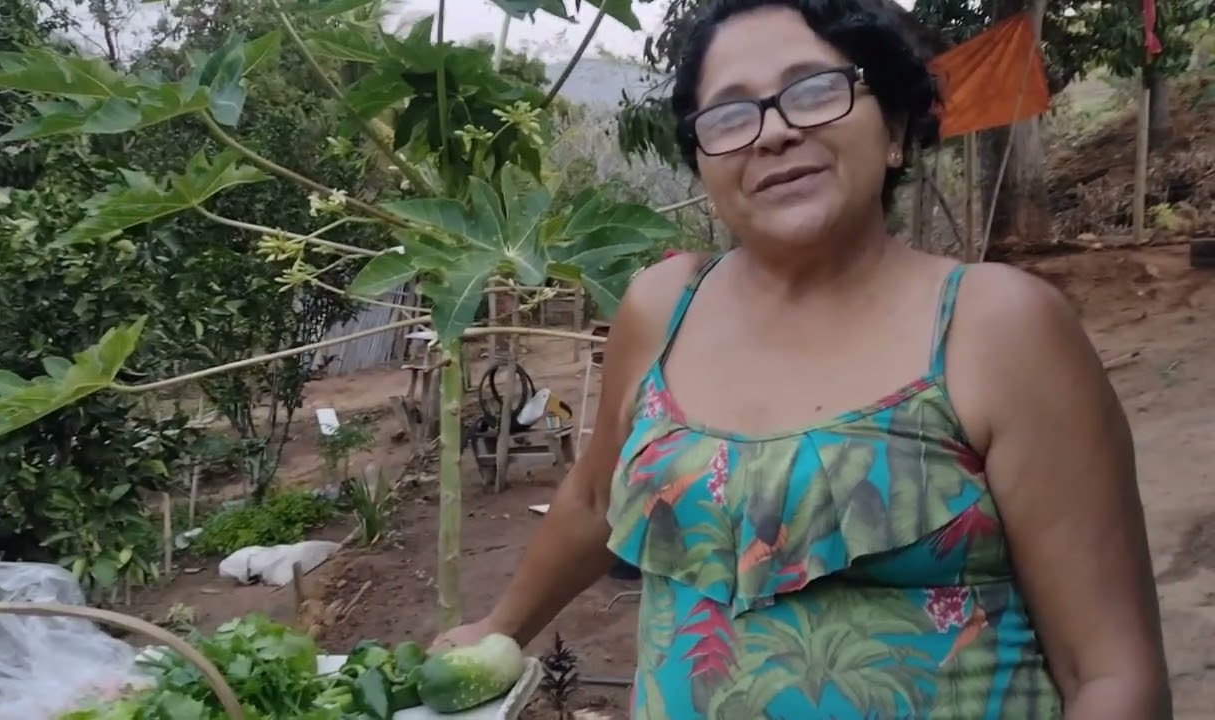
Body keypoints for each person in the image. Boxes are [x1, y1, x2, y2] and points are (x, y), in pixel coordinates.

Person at [434, 1, 1172, 717]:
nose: (774, 133)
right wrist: (498, 629)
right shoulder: (663, 307)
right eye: (729, 115)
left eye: (815, 92)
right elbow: (595, 500)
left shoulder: (998, 327)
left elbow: (1110, 674)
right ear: (703, 164)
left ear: (894, 129)